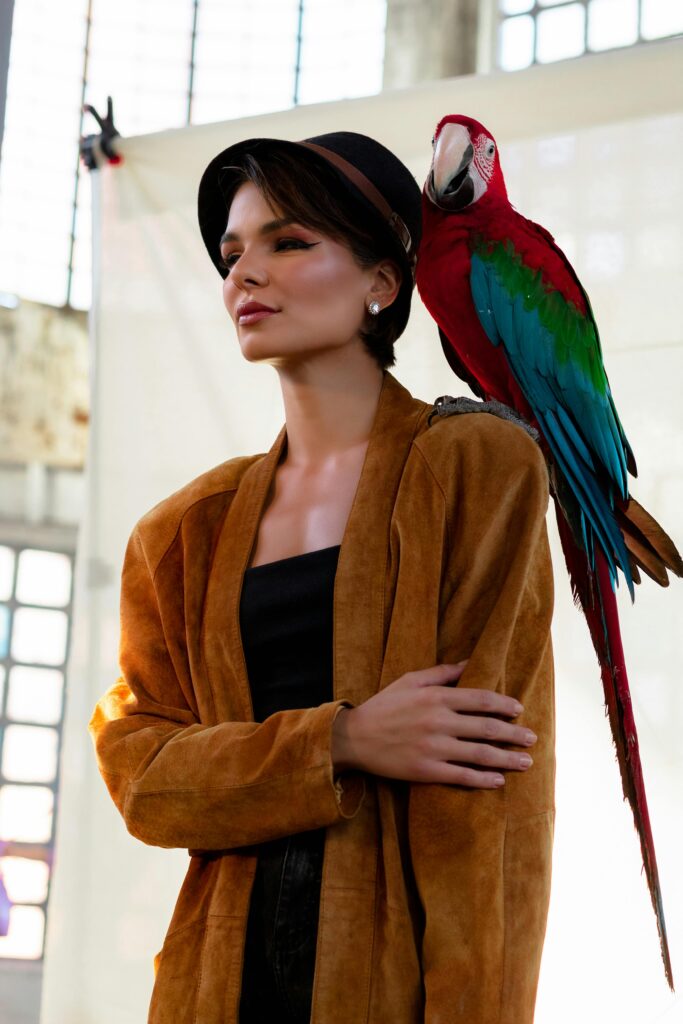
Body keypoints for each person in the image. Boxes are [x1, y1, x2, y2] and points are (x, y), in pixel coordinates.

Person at [89, 131, 555, 1024]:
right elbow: (142, 774)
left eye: (289, 243)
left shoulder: (475, 465)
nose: (243, 276)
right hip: (207, 990)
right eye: (233, 254)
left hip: (394, 989)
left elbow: (496, 804)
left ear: (382, 283)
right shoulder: (182, 531)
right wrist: (339, 741)